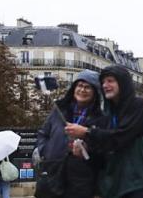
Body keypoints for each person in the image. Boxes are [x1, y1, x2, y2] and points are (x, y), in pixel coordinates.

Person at [65, 65, 143, 198]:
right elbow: (106, 150)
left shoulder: (140, 106)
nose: (105, 85)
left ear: (123, 83)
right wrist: (85, 151)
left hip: (140, 182)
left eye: (110, 81)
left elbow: (120, 138)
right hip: (118, 184)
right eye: (103, 82)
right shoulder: (108, 114)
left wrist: (86, 132)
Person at [36, 70, 105, 198]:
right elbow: (43, 134)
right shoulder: (59, 110)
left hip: (81, 179)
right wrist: (46, 151)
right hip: (53, 172)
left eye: (87, 87)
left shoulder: (100, 118)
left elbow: (103, 148)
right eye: (79, 85)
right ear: (74, 88)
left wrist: (87, 147)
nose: (82, 90)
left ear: (95, 92)